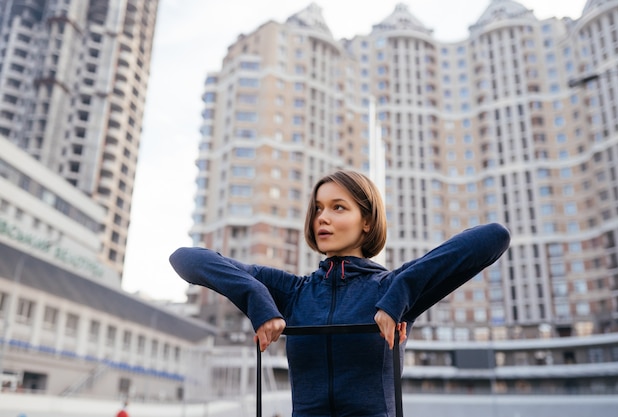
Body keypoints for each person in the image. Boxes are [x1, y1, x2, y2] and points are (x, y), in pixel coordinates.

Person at [170, 170, 510, 417]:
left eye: (338, 207)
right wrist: (258, 299)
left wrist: (397, 297)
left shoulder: (390, 287)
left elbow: (493, 237)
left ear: (367, 221)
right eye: (318, 208)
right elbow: (186, 259)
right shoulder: (292, 291)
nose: (323, 218)